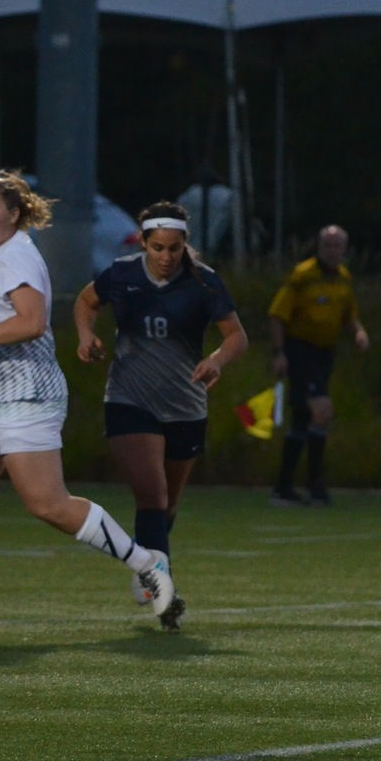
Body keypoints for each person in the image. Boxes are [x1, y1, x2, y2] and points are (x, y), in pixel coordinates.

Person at [0, 170, 179, 637]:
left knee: (47, 504)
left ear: (15, 213)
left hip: (27, 392)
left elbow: (31, 322)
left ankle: (148, 564)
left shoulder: (18, 255)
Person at [74, 201, 249, 622]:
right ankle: (162, 591)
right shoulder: (122, 274)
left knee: (167, 505)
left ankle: (146, 561)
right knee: (151, 494)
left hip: (185, 405)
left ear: (185, 244)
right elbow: (85, 301)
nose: (166, 257)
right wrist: (86, 336)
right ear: (144, 242)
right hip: (129, 400)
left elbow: (237, 336)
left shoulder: (204, 282)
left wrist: (217, 360)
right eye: (157, 248)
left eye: (174, 248)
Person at [267, 223, 369, 505]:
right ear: (320, 247)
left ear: (345, 250)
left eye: (338, 247)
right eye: (328, 246)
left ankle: (284, 488)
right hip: (300, 350)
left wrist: (358, 332)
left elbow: (349, 315)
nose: (333, 251)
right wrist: (279, 353)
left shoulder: (343, 278)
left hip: (325, 354)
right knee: (322, 410)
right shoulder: (302, 276)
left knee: (303, 419)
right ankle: (314, 484)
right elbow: (277, 315)